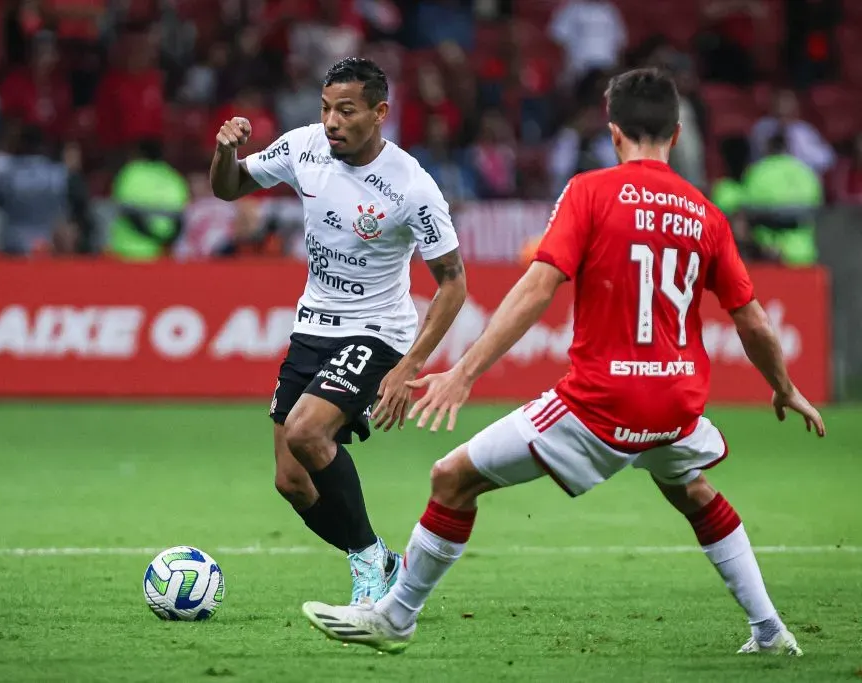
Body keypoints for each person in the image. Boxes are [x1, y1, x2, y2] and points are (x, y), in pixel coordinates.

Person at [301, 68, 825, 655]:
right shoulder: (704, 212)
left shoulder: (591, 191)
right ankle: (771, 630)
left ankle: (395, 617)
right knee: (691, 490)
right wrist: (783, 386)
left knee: (452, 478)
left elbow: (537, 288)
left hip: (602, 401)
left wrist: (464, 372)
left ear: (614, 132)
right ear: (676, 135)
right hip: (678, 402)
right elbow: (750, 317)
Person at [210, 57, 467, 605]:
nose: (331, 122)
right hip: (313, 325)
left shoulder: (412, 186)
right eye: (326, 108)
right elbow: (229, 188)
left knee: (307, 432)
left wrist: (408, 368)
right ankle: (380, 556)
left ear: (380, 114)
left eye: (346, 111)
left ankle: (368, 569)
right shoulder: (303, 148)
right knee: (291, 481)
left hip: (378, 332)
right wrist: (225, 151)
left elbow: (452, 283)